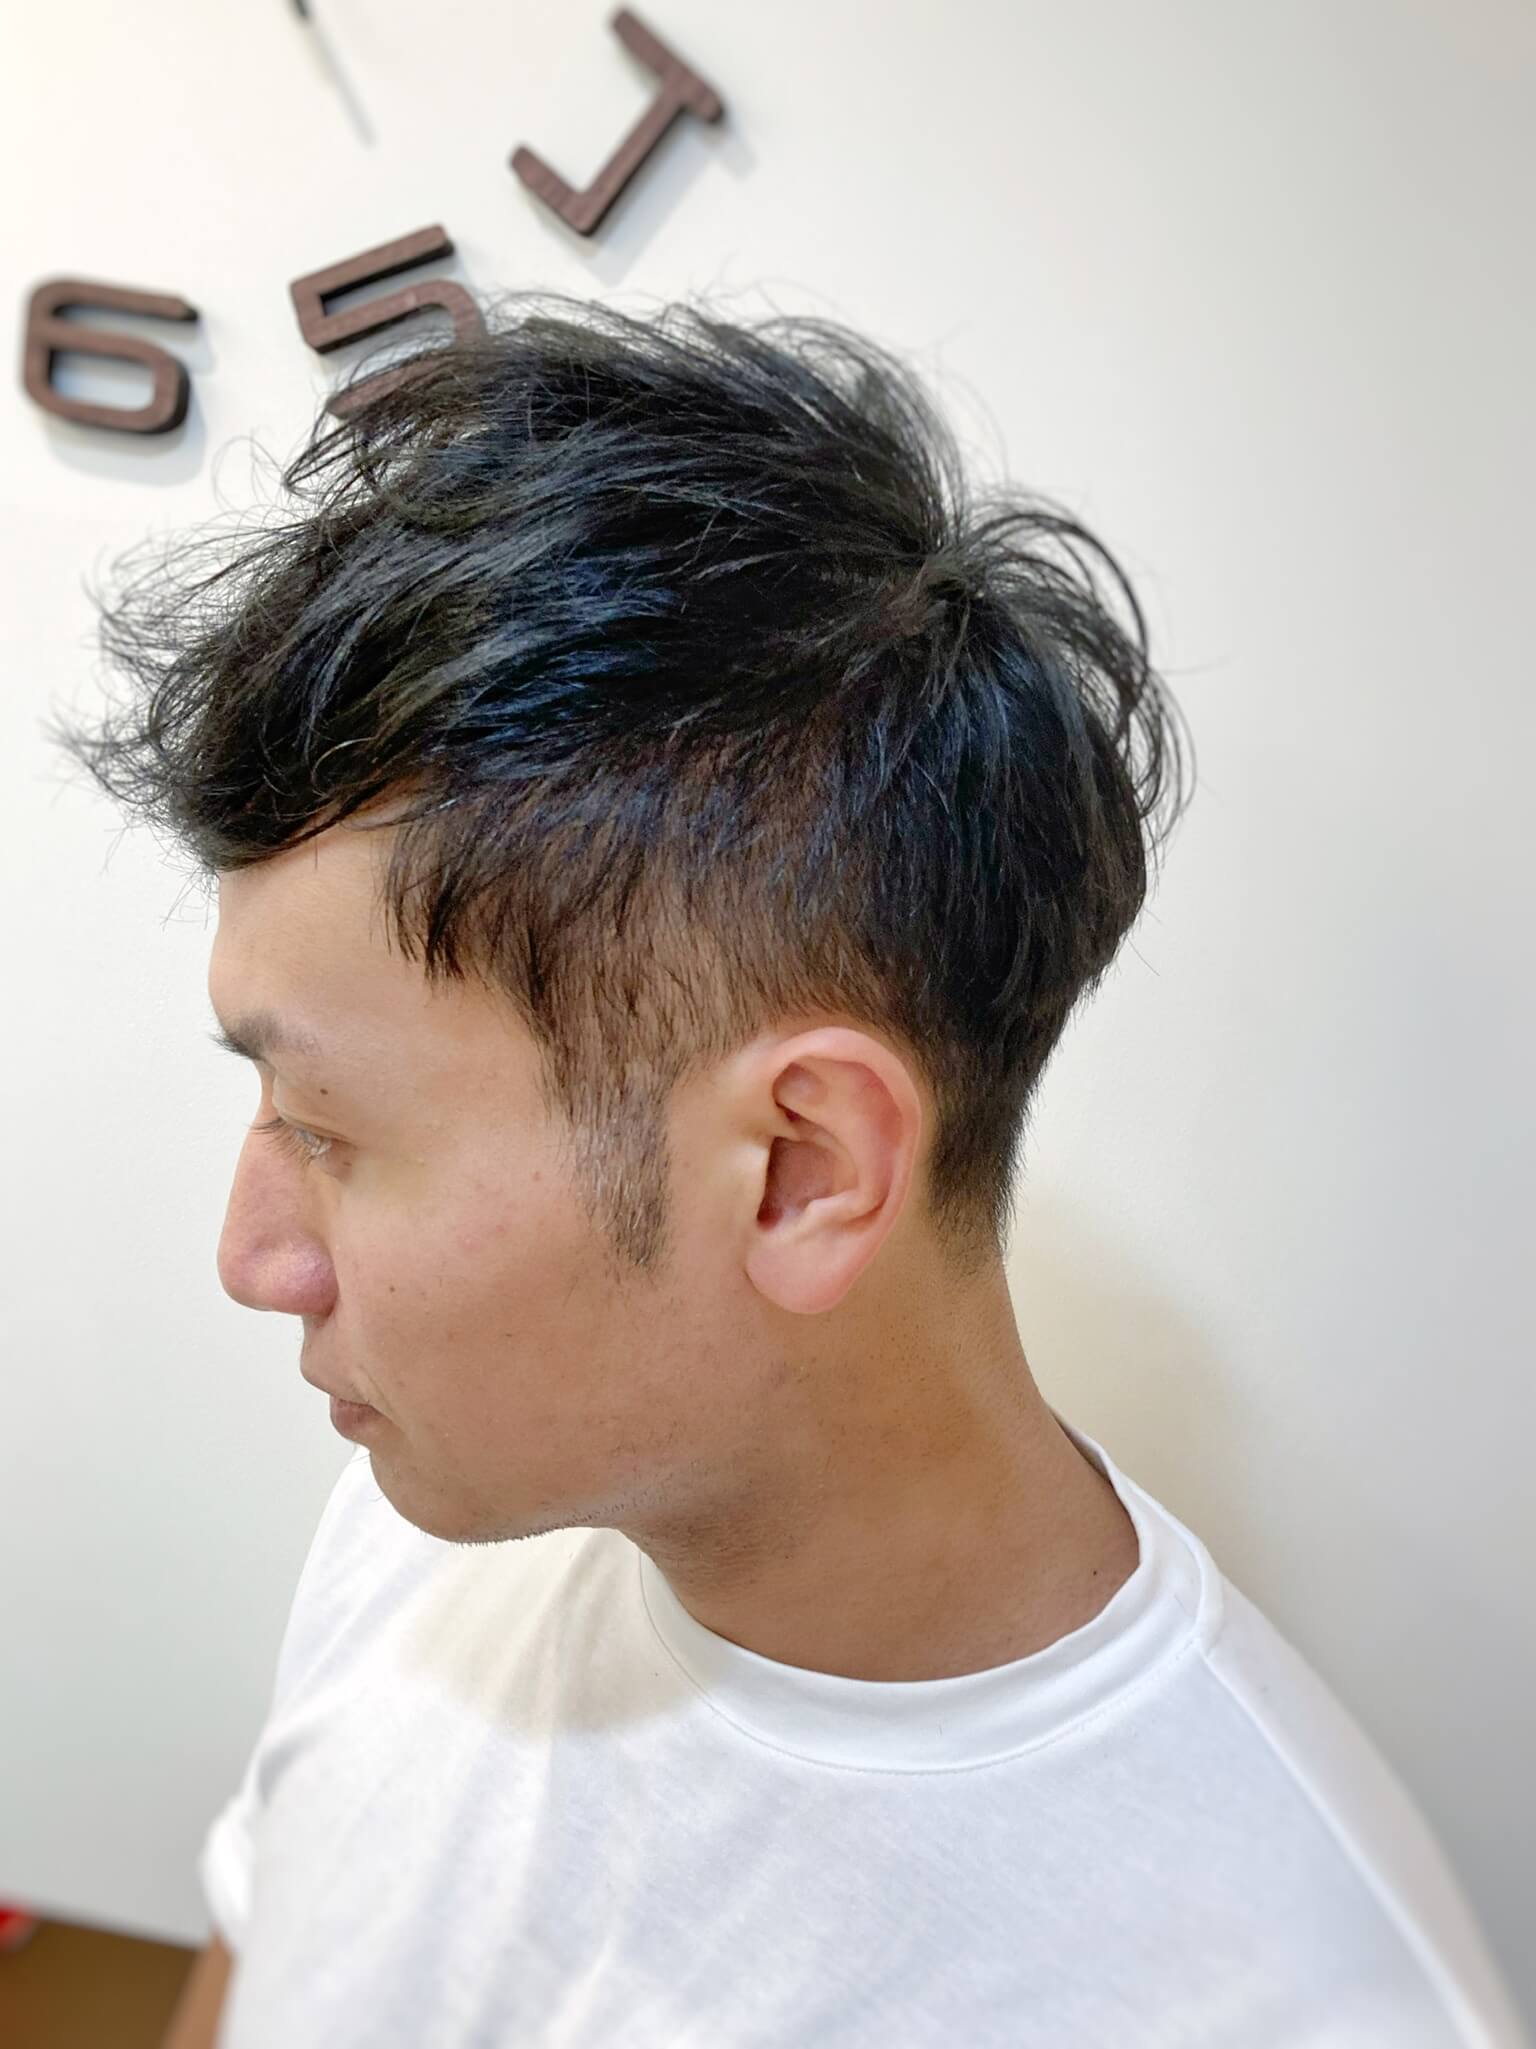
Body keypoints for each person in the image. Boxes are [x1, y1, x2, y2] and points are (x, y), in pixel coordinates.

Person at [48, 292, 1527, 2048]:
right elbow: (273, 1944)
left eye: (329, 1127)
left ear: (797, 1172)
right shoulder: (429, 1507)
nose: (254, 1254)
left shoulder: (1278, 2003)